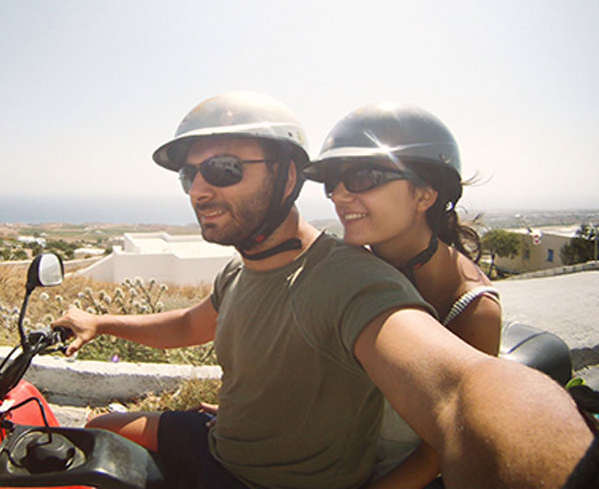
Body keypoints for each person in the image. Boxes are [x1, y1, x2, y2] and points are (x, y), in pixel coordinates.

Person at [52, 92, 593, 489]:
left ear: (288, 178)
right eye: (187, 175)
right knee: (95, 431)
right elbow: (194, 325)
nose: (197, 190)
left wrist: (564, 462)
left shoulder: (353, 277)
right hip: (223, 443)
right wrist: (100, 322)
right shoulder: (245, 270)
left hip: (273, 479)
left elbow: (462, 391)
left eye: (222, 169)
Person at [302, 102, 501, 488]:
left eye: (363, 176)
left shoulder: (472, 310)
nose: (338, 196)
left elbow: (439, 449)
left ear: (425, 195)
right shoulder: (356, 264)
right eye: (332, 181)